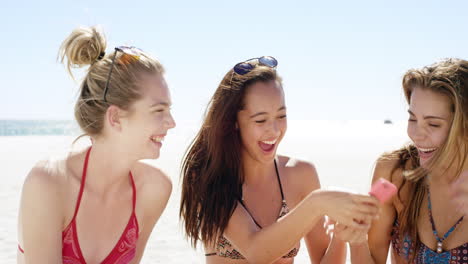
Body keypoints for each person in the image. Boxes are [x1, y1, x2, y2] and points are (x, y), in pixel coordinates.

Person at [179, 56, 380, 263]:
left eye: (281, 116)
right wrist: (317, 203)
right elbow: (256, 251)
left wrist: (339, 235)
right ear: (234, 121)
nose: (274, 130)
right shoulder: (208, 176)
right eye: (260, 120)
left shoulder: (301, 174)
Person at [17, 26, 175, 263]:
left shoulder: (155, 188)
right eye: (158, 110)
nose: (171, 123)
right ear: (115, 118)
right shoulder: (49, 183)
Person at [345, 58, 468, 264]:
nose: (416, 135)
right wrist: (356, 239)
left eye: (433, 124)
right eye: (412, 119)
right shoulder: (394, 172)